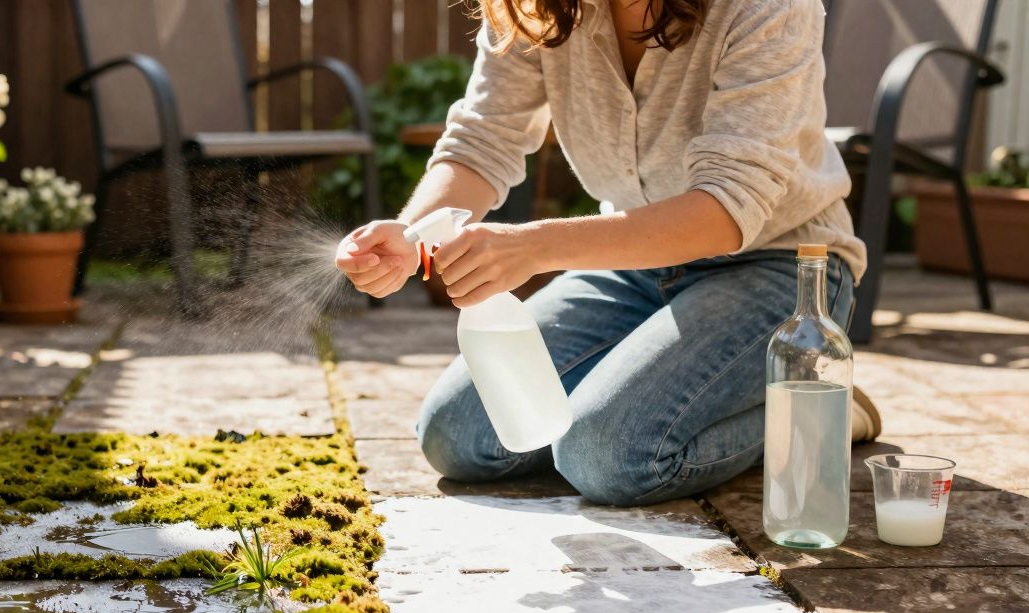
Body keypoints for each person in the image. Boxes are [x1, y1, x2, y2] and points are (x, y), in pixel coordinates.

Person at [334, 0, 882, 506]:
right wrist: (412, 234)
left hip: (780, 264)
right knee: (459, 436)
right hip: (633, 265)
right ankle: (689, 391)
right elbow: (484, 139)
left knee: (608, 454)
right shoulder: (539, 7)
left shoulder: (766, 6)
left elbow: (726, 208)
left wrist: (534, 247)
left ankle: (815, 405)